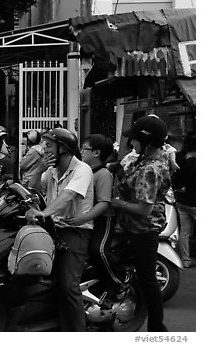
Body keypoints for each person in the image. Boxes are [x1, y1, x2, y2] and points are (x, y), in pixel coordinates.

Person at [25, 128, 93, 332]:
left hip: (76, 230)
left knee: (67, 285)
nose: (43, 149)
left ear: (62, 148)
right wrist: (38, 170)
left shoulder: (82, 169)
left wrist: (45, 213)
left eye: (48, 145)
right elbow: (33, 190)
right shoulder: (52, 170)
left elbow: (69, 195)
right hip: (53, 229)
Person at [110, 115, 171, 332]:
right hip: (131, 227)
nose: (132, 144)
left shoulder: (150, 168)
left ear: (147, 141)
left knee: (147, 280)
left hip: (143, 230)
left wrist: (118, 203)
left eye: (135, 140)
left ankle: (157, 328)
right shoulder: (146, 160)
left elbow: (144, 209)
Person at [68, 134, 128, 300]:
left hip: (104, 219)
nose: (81, 151)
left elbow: (104, 204)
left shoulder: (103, 174)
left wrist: (83, 218)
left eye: (84, 148)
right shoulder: (82, 171)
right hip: (88, 219)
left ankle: (120, 279)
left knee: (98, 250)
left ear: (96, 153)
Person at [172, 133, 196, 268]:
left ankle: (186, 260)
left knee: (185, 232)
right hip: (195, 203)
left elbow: (175, 180)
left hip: (182, 202)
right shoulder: (196, 163)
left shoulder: (180, 159)